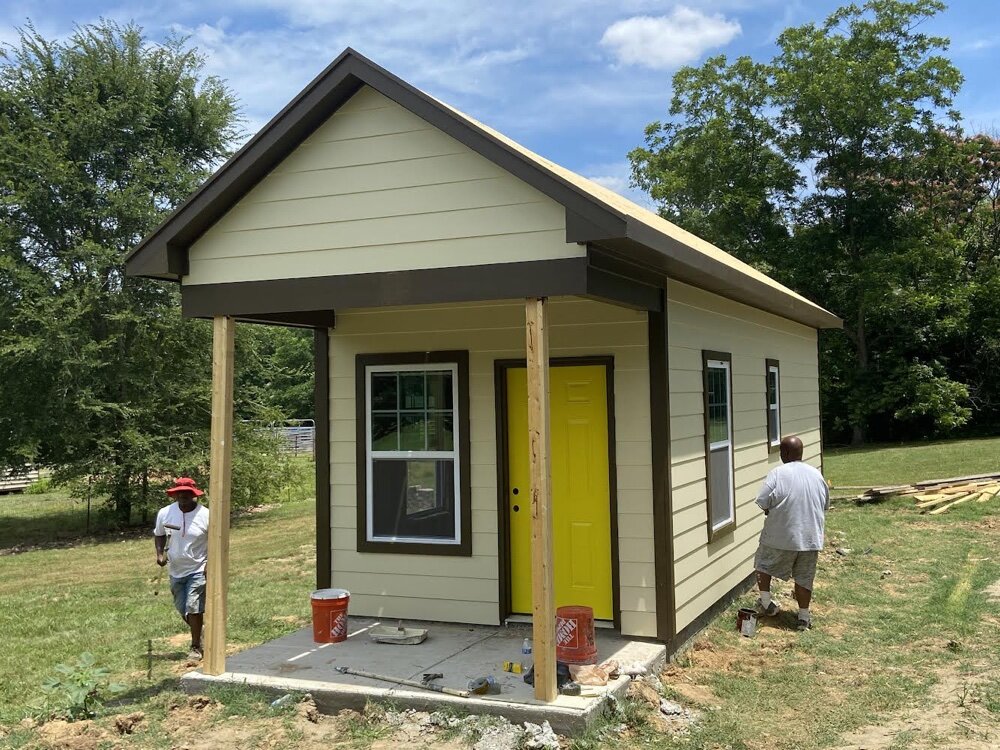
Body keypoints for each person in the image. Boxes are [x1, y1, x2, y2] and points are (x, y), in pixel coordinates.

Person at [753, 435, 830, 631]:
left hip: (781, 536)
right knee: (804, 577)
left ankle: (766, 603)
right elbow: (825, 505)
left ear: (785, 453)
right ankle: (803, 617)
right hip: (811, 538)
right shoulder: (816, 475)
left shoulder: (778, 473)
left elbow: (763, 501)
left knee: (763, 564)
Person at [154, 477, 210, 660]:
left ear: (194, 494)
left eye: (187, 493)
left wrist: (210, 563)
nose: (183, 496)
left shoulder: (206, 515)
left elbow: (216, 540)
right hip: (175, 569)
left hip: (198, 567)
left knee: (194, 606)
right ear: (175, 494)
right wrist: (160, 554)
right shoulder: (165, 513)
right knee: (182, 607)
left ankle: (195, 648)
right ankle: (200, 632)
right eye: (180, 493)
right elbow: (159, 535)